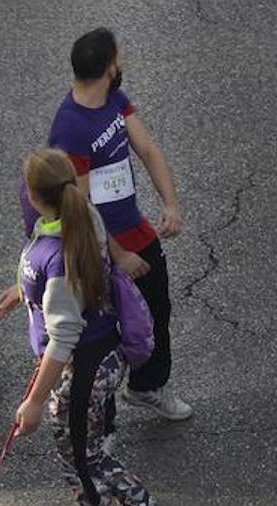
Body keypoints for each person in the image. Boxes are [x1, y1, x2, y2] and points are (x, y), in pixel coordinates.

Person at [4, 149, 196, 506]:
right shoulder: (78, 218)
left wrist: (34, 401)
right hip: (103, 359)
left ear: (32, 196)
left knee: (84, 469)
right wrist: (20, 290)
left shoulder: (55, 251)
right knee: (90, 459)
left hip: (82, 372)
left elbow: (62, 338)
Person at [46, 27, 191, 421]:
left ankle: (148, 387)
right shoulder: (70, 129)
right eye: (120, 57)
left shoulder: (113, 99)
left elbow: (146, 147)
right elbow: (80, 208)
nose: (123, 61)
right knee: (106, 333)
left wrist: (171, 204)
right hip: (99, 246)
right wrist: (118, 254)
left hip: (135, 231)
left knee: (157, 308)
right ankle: (97, 416)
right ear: (109, 68)